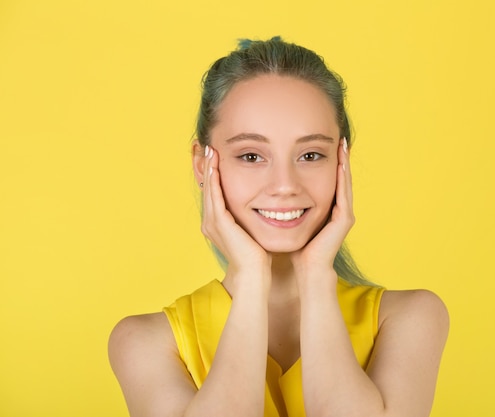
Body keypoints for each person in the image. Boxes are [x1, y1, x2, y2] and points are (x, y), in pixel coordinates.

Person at [108, 37, 449, 417]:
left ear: (342, 162)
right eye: (251, 155)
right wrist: (252, 277)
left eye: (310, 154)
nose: (285, 184)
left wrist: (317, 273)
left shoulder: (409, 319)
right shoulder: (146, 342)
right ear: (203, 164)